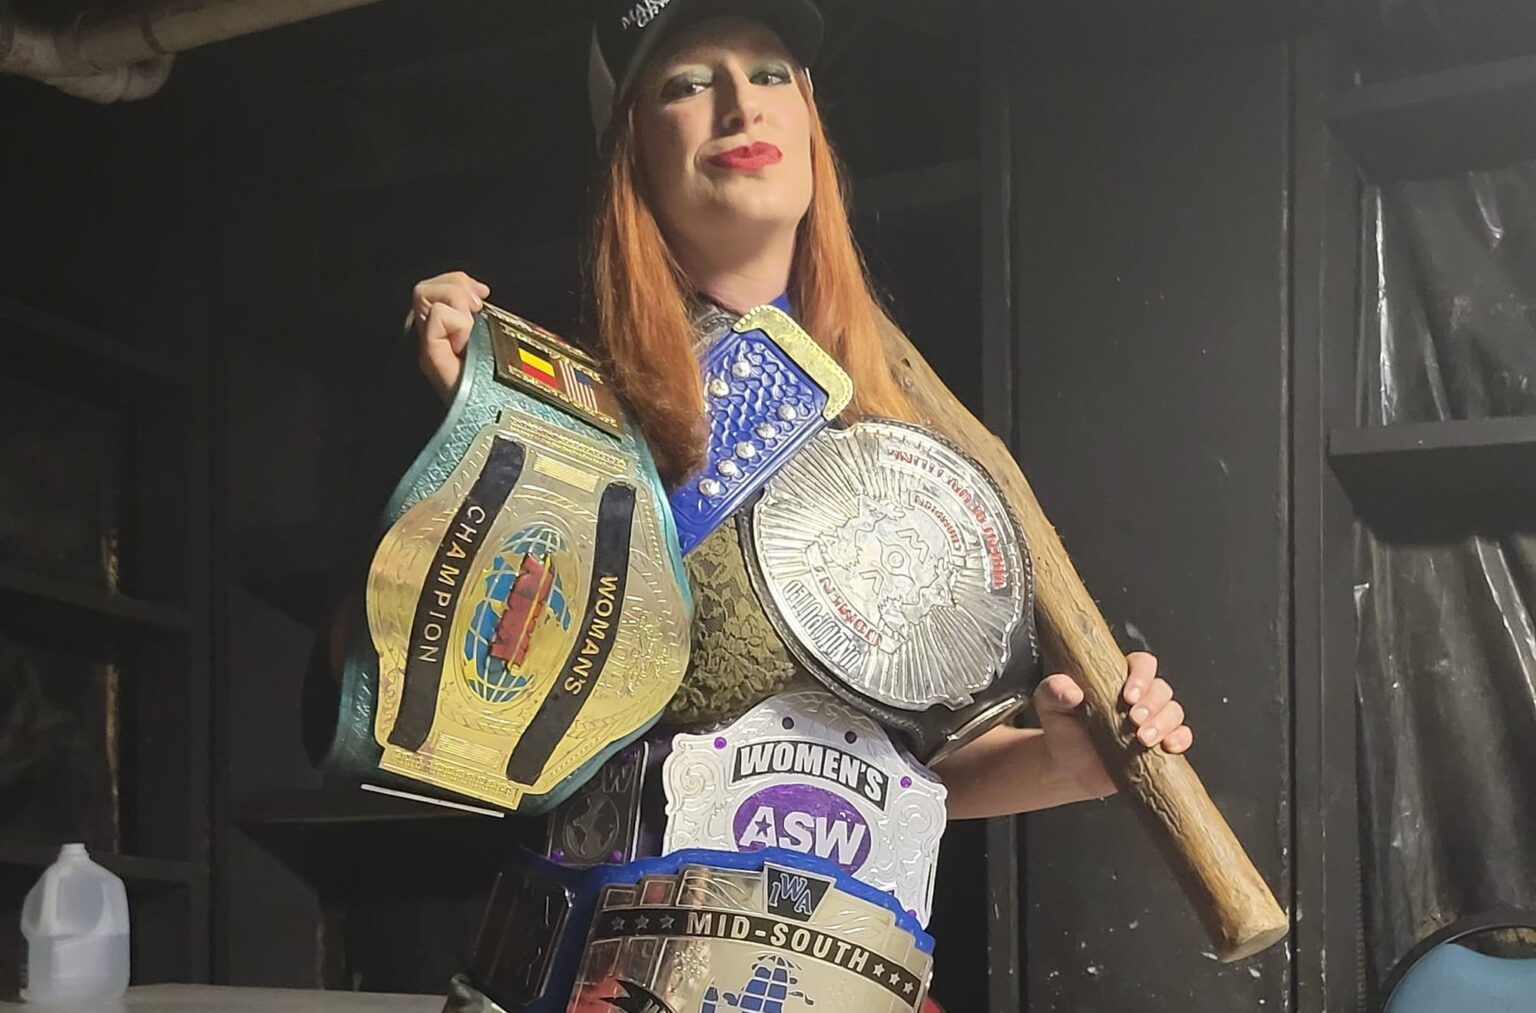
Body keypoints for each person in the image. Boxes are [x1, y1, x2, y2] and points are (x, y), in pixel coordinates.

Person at [403, 0, 1192, 1007]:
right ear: (630, 146)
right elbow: (467, 723)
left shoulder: (899, 444)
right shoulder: (561, 409)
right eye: (689, 83)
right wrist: (481, 446)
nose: (740, 105)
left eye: (771, 74)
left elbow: (916, 776)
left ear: (812, 124)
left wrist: (1071, 758)